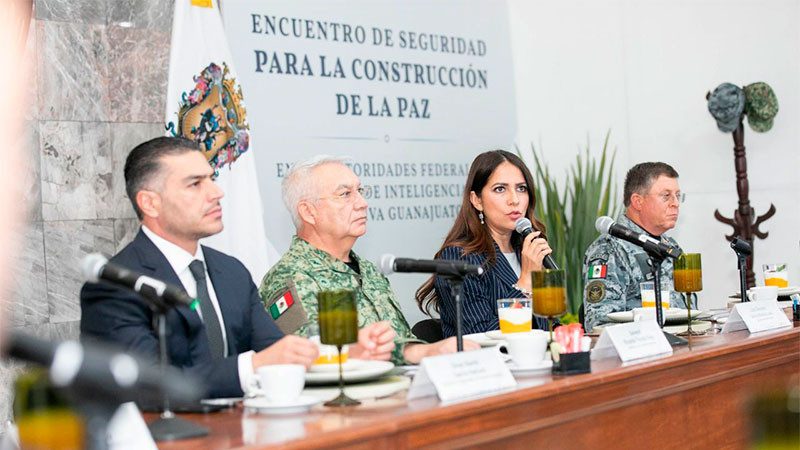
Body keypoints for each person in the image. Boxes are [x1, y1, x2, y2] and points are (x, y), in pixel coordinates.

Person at [80, 138, 392, 398]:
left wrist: (343, 352)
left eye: (211, 179)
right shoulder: (115, 284)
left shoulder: (230, 272)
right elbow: (145, 382)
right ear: (150, 203)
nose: (216, 192)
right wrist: (252, 367)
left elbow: (277, 350)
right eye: (195, 184)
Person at [260, 155, 479, 364]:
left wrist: (424, 352)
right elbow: (311, 355)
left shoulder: (368, 270)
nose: (362, 203)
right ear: (308, 212)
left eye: (360, 191)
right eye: (345, 194)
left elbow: (399, 339)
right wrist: (418, 352)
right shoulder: (289, 276)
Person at [416, 150, 552, 337]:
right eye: (500, 189)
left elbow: (548, 325)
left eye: (521, 188)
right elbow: (478, 334)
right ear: (477, 200)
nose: (514, 200)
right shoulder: (458, 258)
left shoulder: (527, 251)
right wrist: (526, 282)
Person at [582, 162, 685, 332]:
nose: (676, 203)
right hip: (641, 344)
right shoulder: (610, 249)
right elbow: (599, 324)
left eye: (678, 196)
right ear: (638, 201)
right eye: (666, 196)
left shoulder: (670, 246)